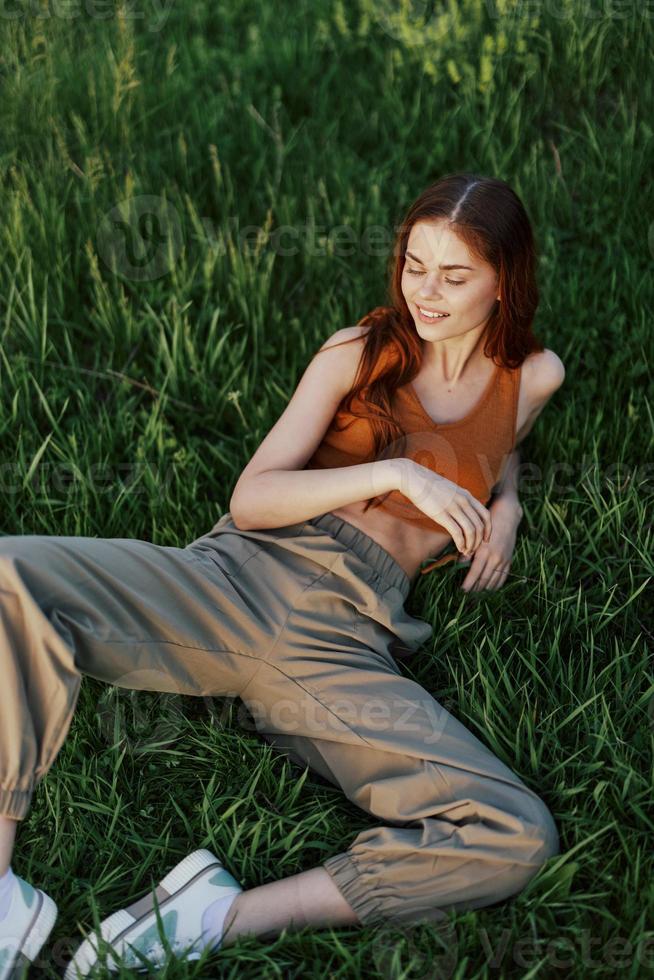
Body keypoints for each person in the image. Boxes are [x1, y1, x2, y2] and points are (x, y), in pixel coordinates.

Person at [0, 172, 565, 978]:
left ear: (505, 281)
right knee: (9, 572)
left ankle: (217, 914)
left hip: (342, 643)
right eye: (414, 265)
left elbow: (499, 438)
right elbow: (254, 495)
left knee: (515, 831)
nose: (425, 295)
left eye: (454, 275)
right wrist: (396, 476)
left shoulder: (535, 377)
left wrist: (504, 506)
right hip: (238, 578)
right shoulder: (358, 351)